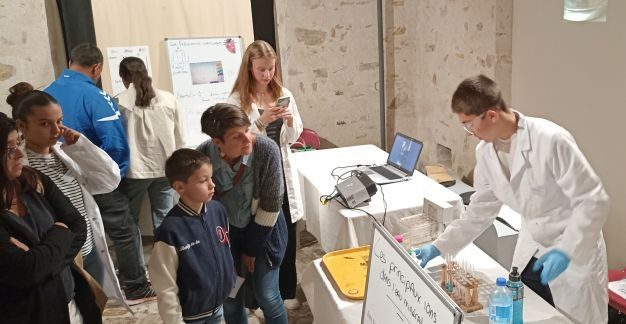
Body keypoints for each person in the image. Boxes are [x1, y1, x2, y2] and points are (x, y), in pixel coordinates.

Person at [414, 74, 609, 324]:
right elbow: (480, 211)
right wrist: (439, 246)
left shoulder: (550, 140)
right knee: (526, 314)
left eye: (470, 124)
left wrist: (567, 250)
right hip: (531, 252)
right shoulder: (485, 152)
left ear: (492, 115)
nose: (470, 133)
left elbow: (593, 201)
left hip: (573, 256)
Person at [45, 43, 155, 304]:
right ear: (97, 68)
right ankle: (135, 286)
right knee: (124, 229)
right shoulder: (96, 96)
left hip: (59, 180)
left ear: (70, 60)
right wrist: (114, 174)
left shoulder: (46, 93)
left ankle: (88, 289)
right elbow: (114, 142)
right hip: (95, 179)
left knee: (79, 236)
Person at [7, 82, 127, 307]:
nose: (56, 130)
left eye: (59, 121)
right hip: (59, 255)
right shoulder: (21, 168)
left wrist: (82, 146)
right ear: (21, 125)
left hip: (89, 246)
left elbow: (108, 181)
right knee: (66, 309)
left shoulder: (66, 154)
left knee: (93, 306)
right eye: (44, 124)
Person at [0, 114, 101, 323]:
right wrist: (60, 233)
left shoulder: (32, 180)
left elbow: (77, 225)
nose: (20, 154)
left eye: (19, 142)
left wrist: (43, 264)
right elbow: (26, 270)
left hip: (71, 303)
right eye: (9, 149)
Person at [227, 39, 304, 310]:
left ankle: (286, 291)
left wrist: (290, 121)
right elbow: (236, 141)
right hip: (252, 176)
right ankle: (255, 298)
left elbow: (293, 138)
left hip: (280, 171)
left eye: (271, 68)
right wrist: (261, 121)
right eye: (261, 69)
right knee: (256, 235)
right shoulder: (237, 99)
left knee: (287, 233)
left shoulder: (284, 93)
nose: (268, 74)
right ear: (249, 67)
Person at [197, 103, 288, 324]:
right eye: (237, 137)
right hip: (225, 241)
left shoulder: (266, 150)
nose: (248, 139)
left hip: (264, 234)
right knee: (231, 297)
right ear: (217, 142)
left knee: (268, 294)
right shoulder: (202, 156)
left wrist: (251, 249)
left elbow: (271, 205)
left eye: (247, 130)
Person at [149, 149, 235, 324]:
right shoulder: (170, 231)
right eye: (204, 180)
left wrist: (230, 286)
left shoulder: (218, 210)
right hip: (192, 317)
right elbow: (165, 286)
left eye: (211, 178)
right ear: (180, 187)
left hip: (218, 307)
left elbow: (226, 251)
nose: (212, 185)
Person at [117, 56, 183, 230]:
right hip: (165, 167)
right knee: (165, 218)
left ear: (123, 77)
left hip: (134, 171)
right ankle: (167, 257)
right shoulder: (168, 98)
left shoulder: (119, 102)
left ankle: (136, 258)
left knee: (130, 221)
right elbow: (179, 136)